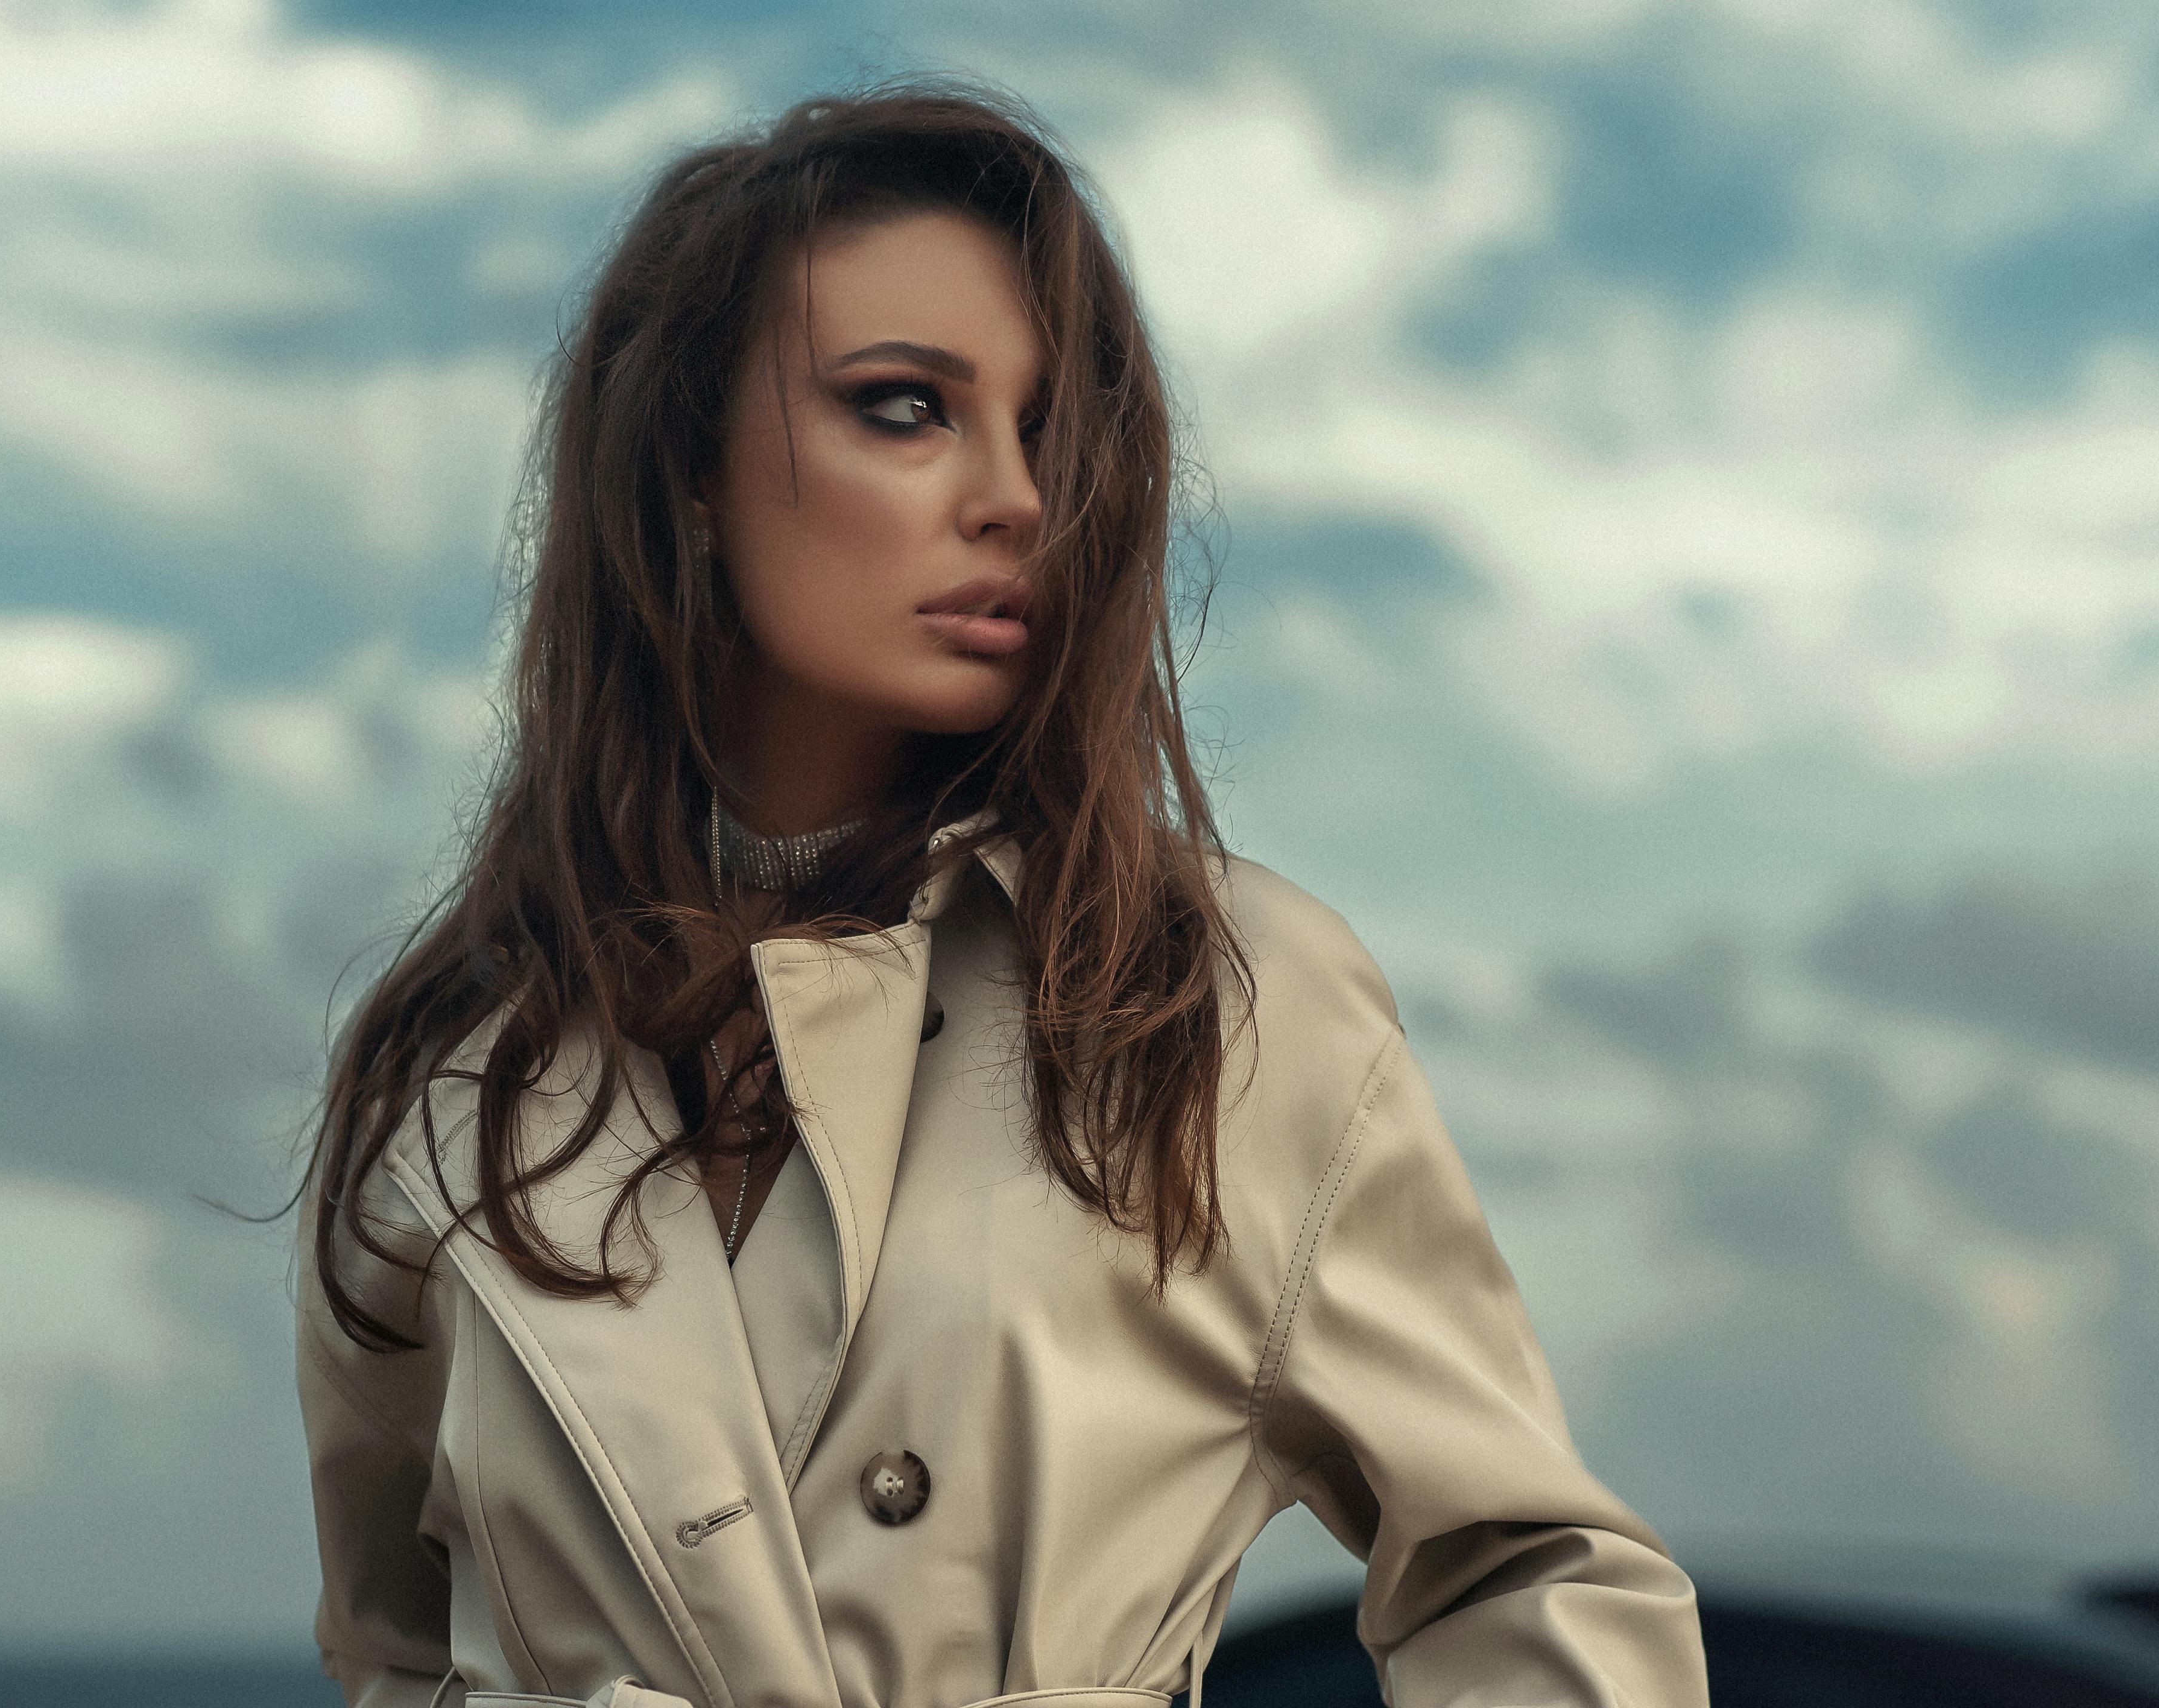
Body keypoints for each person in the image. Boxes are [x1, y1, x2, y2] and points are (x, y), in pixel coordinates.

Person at [293, 78, 1709, 1708]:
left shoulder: (1212, 996)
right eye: (905, 407)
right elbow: (393, 1650)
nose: (1016, 500)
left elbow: (1535, 1577)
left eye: (1049, 429)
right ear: (689, 462)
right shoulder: (457, 1072)